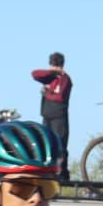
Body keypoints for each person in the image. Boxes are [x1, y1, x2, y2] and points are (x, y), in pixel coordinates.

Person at [31, 53, 72, 181]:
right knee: (46, 144)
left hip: (59, 116)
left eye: (56, 65)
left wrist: (47, 91)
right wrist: (51, 73)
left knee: (60, 145)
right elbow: (35, 74)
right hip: (47, 115)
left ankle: (62, 174)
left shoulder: (65, 79)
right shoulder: (49, 77)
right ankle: (47, 171)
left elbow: (59, 97)